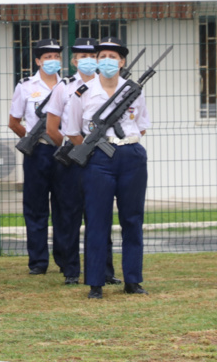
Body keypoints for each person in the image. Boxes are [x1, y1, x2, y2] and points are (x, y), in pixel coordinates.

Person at [62, 37, 150, 299]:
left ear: (122, 62)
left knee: (132, 219)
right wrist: (93, 149)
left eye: (113, 57)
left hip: (131, 155)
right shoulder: (83, 92)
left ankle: (132, 280)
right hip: (98, 159)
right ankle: (96, 282)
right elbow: (72, 131)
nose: (107, 61)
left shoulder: (134, 90)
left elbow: (141, 125)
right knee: (97, 221)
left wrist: (123, 143)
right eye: (102, 57)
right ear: (96, 61)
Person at [45, 37, 122, 287]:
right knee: (70, 215)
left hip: (102, 158)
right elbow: (52, 127)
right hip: (73, 158)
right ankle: (70, 269)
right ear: (74, 60)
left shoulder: (111, 86)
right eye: (82, 55)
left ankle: (104, 270)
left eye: (92, 55)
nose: (89, 60)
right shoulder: (64, 87)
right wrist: (79, 151)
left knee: (99, 215)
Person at [8, 39, 64, 276]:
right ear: (38, 61)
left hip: (62, 150)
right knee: (35, 207)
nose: (53, 61)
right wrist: (30, 139)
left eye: (56, 56)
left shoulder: (68, 86)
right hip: (37, 151)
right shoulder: (25, 86)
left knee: (64, 206)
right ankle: (38, 261)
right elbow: (14, 121)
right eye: (47, 57)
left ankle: (65, 259)